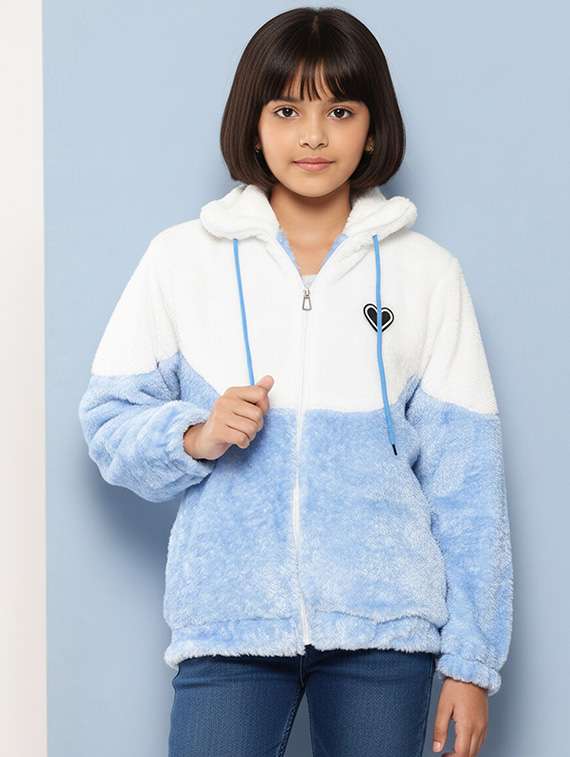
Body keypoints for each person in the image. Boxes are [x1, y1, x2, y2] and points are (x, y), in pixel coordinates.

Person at [78, 7, 514, 757]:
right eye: (287, 110)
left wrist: (471, 663)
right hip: (229, 620)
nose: (313, 135)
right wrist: (195, 434)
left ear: (372, 129)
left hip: (385, 628)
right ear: (254, 126)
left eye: (339, 111)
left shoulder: (427, 274)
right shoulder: (181, 260)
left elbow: (467, 482)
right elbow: (108, 419)